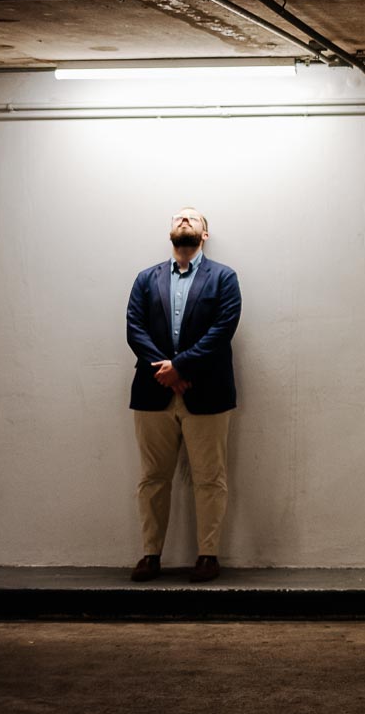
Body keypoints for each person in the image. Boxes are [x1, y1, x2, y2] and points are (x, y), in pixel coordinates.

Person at [125, 207, 242, 583]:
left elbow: (224, 328)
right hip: (152, 392)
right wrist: (167, 371)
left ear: (204, 234)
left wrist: (183, 367)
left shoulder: (224, 277)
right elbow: (134, 328)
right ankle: (150, 556)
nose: (185, 221)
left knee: (210, 478)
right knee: (152, 478)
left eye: (193, 219)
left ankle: (208, 555)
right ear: (170, 232)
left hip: (207, 392)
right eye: (179, 218)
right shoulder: (146, 279)